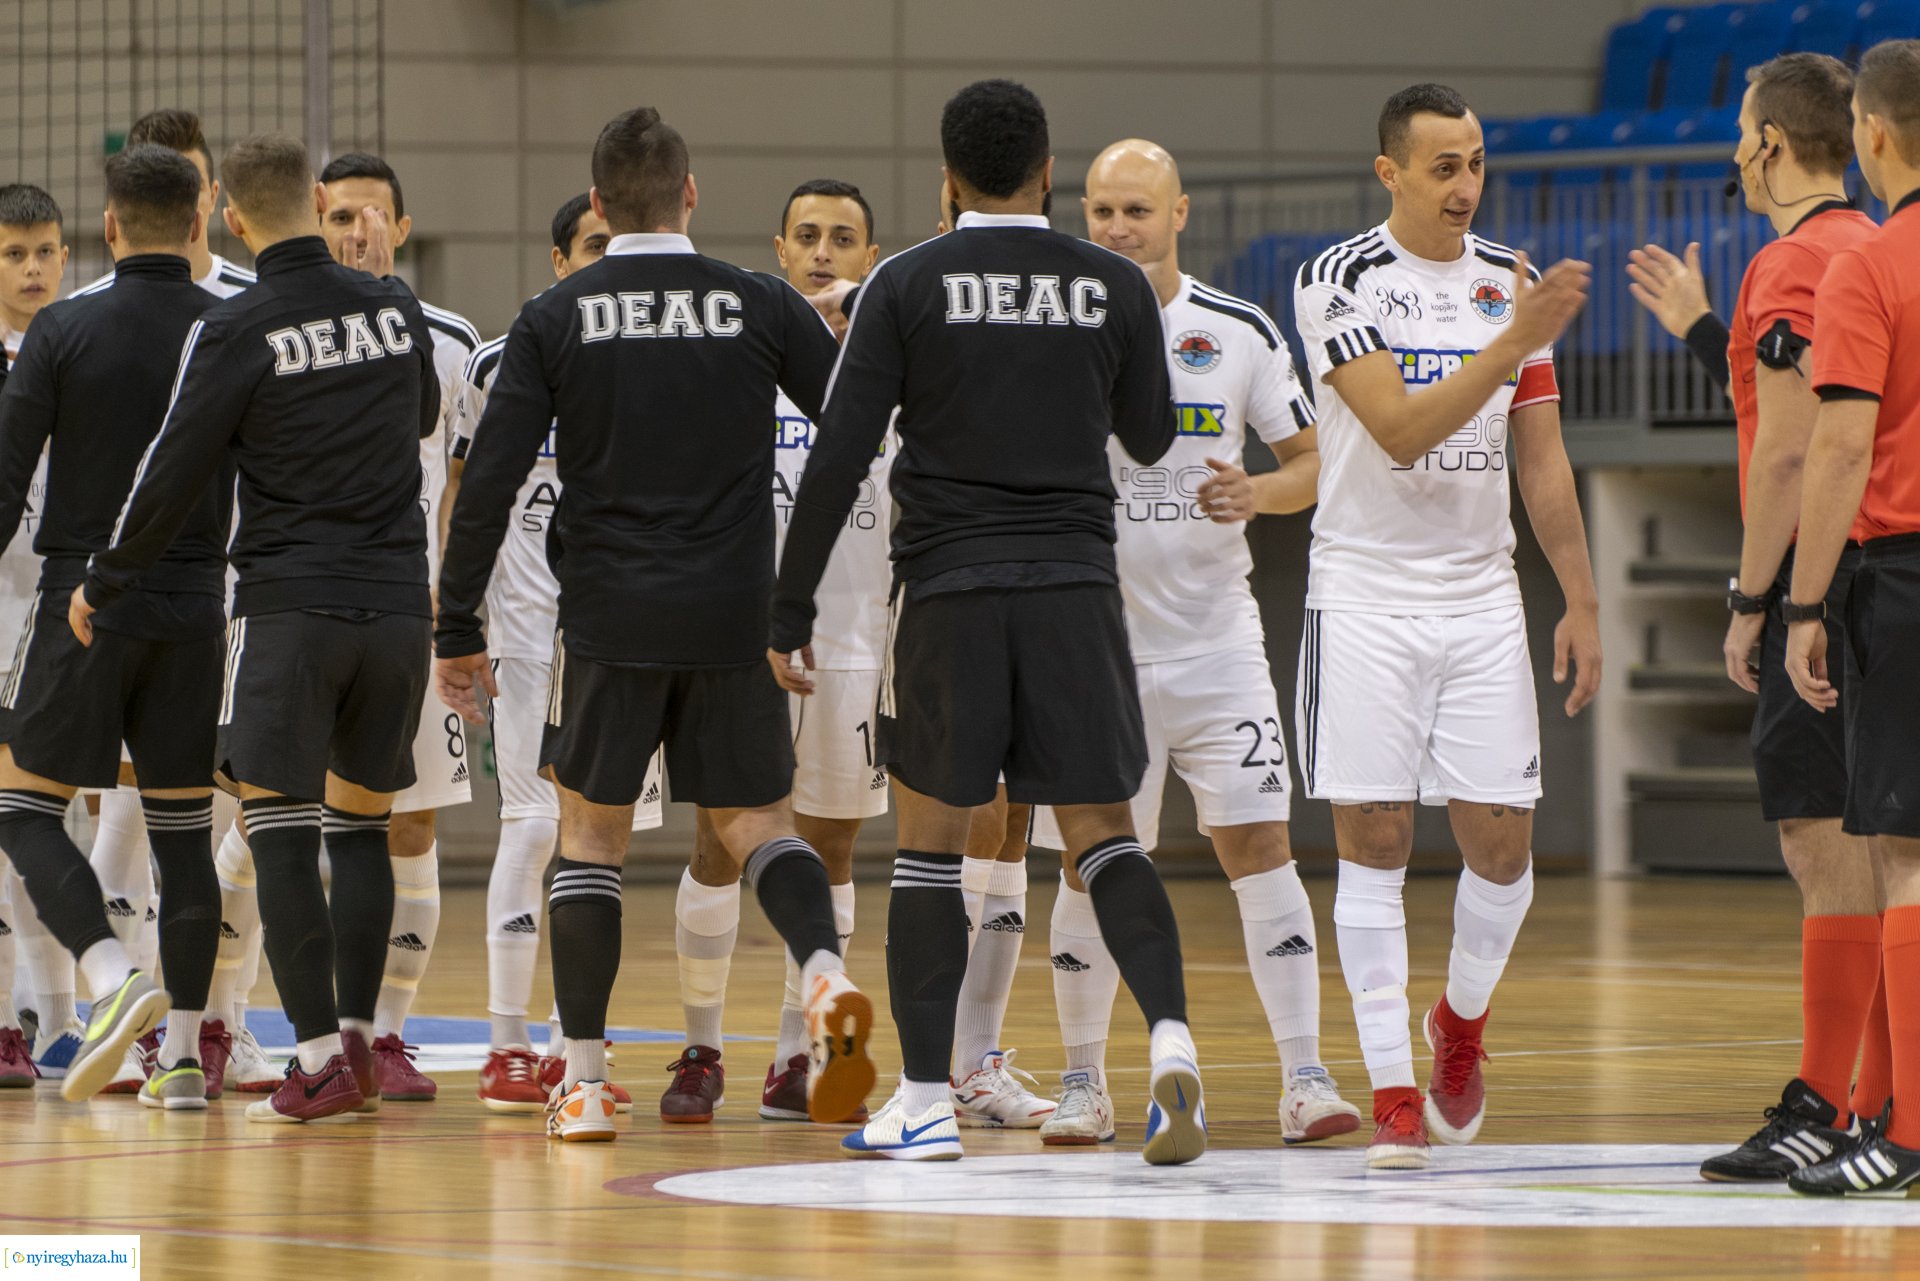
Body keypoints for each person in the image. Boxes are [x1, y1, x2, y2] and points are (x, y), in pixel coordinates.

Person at [770, 79, 1201, 1165]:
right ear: (1049, 174)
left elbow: (842, 450)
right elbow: (1153, 438)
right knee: (1103, 835)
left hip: (950, 594)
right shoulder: (1113, 283)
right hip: (1075, 592)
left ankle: (922, 1099)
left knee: (927, 851)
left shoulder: (906, 281)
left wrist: (788, 604)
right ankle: (1171, 1042)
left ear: (949, 180)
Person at [436, 106, 875, 1144]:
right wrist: (791, 592)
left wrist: (455, 622)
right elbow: (853, 434)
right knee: (760, 826)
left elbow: (489, 482)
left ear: (599, 202)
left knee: (590, 838)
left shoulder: (556, 315)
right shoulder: (759, 301)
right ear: (690, 193)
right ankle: (823, 976)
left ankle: (586, 1084)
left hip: (609, 619)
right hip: (733, 614)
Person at [81, 131, 441, 1124]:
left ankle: (317, 1060)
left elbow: (171, 469)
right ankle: (359, 1047)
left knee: (281, 835)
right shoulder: (395, 305)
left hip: (291, 610)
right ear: (318, 201)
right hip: (397, 611)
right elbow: (420, 416)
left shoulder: (236, 324)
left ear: (231, 218)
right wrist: (385, 291)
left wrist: (106, 578)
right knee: (362, 833)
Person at [1029, 137, 1358, 1147]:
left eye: (1138, 210)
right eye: (1102, 212)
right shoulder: (1052, 328)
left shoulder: (1238, 331)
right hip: (1093, 653)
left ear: (1178, 215)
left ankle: (1305, 1078)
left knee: (1260, 847)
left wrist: (1257, 492)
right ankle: (1083, 1083)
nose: (1119, 229)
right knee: (1087, 861)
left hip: (1218, 646)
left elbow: (1314, 462)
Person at [1290, 83, 1595, 1169]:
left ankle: (1458, 1024)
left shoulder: (1509, 280)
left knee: (1503, 850)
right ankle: (1391, 1092)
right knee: (1374, 844)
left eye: (1476, 163)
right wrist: (1513, 342)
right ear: (1391, 174)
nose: (1466, 186)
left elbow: (1541, 457)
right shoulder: (1337, 279)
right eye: (1443, 167)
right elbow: (1401, 429)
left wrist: (1582, 597)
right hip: (1364, 596)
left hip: (1481, 598)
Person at [1626, 54, 1885, 1182]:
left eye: (1742, 127)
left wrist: (1751, 601)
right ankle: (1865, 1103)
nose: (1735, 146)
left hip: (1824, 582)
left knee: (1823, 844)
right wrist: (1702, 329)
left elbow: (1787, 451)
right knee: (1877, 850)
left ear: (1771, 144)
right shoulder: (1873, 247)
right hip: (1886, 574)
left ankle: (1834, 1100)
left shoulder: (1787, 263)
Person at [0, 145, 231, 1108]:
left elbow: (5, 487)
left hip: (82, 603)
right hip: (197, 608)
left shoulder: (62, 328)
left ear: (105, 227)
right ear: (197, 223)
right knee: (183, 838)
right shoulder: (233, 328)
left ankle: (108, 974)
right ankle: (180, 1061)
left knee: (20, 808)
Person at [663, 178, 889, 1126]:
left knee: (830, 848)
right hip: (741, 638)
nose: (823, 252)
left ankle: (798, 1058)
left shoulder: (891, 370)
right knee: (721, 843)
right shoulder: (739, 353)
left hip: (853, 643)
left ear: (870, 258)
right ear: (780, 250)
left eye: (842, 238)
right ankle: (702, 1048)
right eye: (807, 236)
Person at [75, 108, 259, 1100]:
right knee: (127, 814)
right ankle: (124, 1020)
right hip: (127, 601)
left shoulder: (253, 307)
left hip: (230, 601)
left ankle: (222, 1023)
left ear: (210, 201)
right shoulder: (89, 312)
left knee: (234, 826)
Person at [459, 191, 657, 1115]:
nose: (605, 259)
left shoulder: (654, 354)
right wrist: (458, 619)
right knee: (536, 827)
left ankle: (573, 1041)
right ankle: (506, 1041)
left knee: (602, 841)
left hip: (618, 635)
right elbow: (466, 494)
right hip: (527, 633)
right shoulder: (499, 361)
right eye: (591, 245)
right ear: (558, 260)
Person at [1782, 38, 1920, 1198]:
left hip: (1905, 572)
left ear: (1871, 133)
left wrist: (1802, 604)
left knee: (1906, 854)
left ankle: (1906, 1133)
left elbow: (1835, 446)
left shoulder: (1869, 264)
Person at [0, 183, 77, 1083]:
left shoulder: (83, 344)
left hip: (66, 610)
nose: (32, 268)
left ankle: (60, 1019)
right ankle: (11, 1023)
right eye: (14, 253)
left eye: (44, 251)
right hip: (2, 608)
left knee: (57, 819)